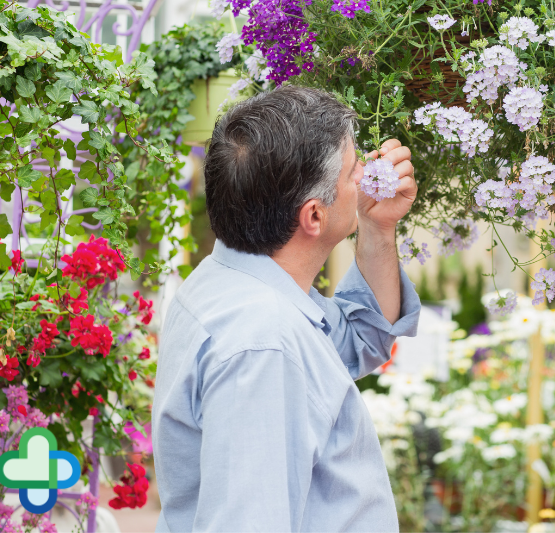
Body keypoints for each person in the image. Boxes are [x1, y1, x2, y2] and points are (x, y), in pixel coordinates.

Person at [151, 86, 421, 531]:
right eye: (355, 169)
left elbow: (360, 339)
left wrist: (377, 227)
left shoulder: (234, 281)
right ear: (313, 216)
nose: (369, 175)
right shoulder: (263, 345)